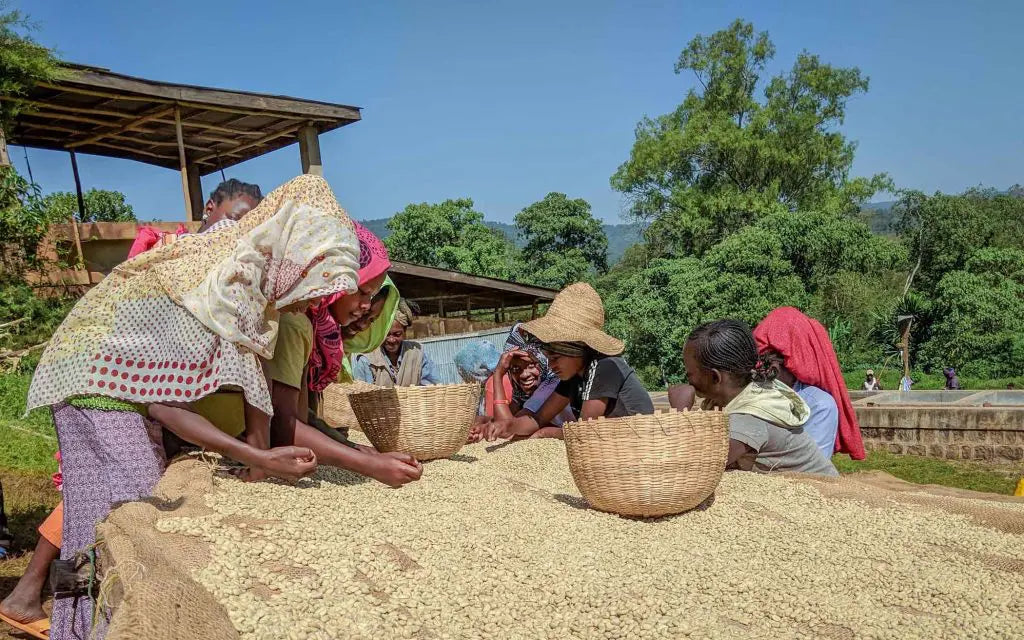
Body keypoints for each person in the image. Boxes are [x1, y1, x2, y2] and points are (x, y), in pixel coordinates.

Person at [25, 174, 360, 639]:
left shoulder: (249, 287)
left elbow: (254, 388)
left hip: (111, 386)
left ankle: (83, 625)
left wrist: (260, 457)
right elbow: (166, 407)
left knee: (103, 514)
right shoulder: (227, 278)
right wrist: (258, 456)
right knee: (132, 509)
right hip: (91, 380)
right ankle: (95, 628)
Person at [483, 283, 653, 441]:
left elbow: (585, 430)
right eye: (548, 358)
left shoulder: (604, 366)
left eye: (556, 358)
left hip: (637, 443)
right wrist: (507, 425)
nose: (551, 365)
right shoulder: (574, 376)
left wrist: (546, 432)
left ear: (576, 349)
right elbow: (538, 418)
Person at [683, 319, 839, 477]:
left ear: (715, 377)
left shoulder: (749, 416)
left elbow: (697, 467)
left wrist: (681, 412)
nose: (687, 379)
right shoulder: (746, 393)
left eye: (689, 374)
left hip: (821, 494)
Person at [753, 307, 865, 461]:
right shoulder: (753, 394)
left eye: (770, 363)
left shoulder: (818, 406)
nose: (764, 371)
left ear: (792, 363)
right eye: (761, 362)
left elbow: (809, 469)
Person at [126, 179, 263, 258]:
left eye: (249, 228)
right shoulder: (166, 248)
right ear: (209, 209)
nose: (238, 231)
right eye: (233, 220)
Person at [353, 301, 440, 387]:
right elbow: (363, 394)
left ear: (405, 331)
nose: (391, 340)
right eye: (387, 335)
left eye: (397, 334)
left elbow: (431, 389)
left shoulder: (418, 353)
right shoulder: (366, 360)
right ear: (380, 332)